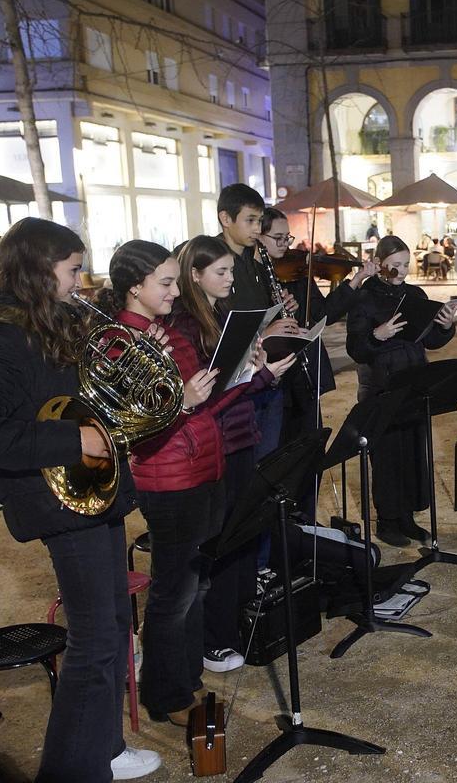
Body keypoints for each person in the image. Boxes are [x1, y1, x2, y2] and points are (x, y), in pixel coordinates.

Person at [0, 219, 162, 782]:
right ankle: (70, 769)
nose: (79, 279)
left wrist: (133, 367)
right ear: (40, 272)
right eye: (71, 269)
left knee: (113, 628)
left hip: (93, 489)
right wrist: (74, 439)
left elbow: (74, 391)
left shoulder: (53, 320)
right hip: (60, 498)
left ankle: (104, 748)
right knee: (93, 643)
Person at [99, 240, 259, 727]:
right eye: (166, 283)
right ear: (135, 288)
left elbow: (200, 405)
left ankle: (187, 677)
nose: (176, 290)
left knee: (197, 583)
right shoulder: (118, 342)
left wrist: (242, 375)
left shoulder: (168, 333)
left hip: (204, 466)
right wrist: (184, 402)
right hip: (169, 479)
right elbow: (129, 430)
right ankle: (166, 694)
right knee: (174, 592)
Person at [171, 235, 295, 674]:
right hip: (217, 442)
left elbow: (233, 378)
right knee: (222, 543)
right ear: (195, 275)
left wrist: (258, 364)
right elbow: (207, 397)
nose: (229, 278)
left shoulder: (220, 313)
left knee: (243, 533)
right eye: (220, 272)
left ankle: (240, 624)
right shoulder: (186, 324)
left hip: (242, 433)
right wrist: (256, 377)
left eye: (229, 270)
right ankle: (215, 638)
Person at [345, 236, 457, 545]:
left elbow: (430, 340)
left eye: (406, 264)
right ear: (380, 263)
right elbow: (355, 348)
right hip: (380, 385)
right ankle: (387, 520)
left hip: (414, 380)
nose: (402, 271)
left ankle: (407, 517)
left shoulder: (414, 293)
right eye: (395, 265)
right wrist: (377, 336)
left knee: (412, 453)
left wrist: (445, 327)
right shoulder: (364, 297)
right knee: (386, 457)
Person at [257, 207, 378, 460]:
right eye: (277, 238)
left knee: (309, 451)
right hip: (273, 378)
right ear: (258, 236)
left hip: (304, 374)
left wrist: (355, 281)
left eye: (287, 237)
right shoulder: (253, 278)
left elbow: (324, 313)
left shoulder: (298, 273)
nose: (284, 244)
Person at [215, 184, 300, 462]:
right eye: (250, 221)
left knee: (267, 463)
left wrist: (283, 311)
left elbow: (261, 312)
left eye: (258, 221)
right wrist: (266, 330)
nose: (256, 229)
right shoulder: (213, 261)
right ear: (226, 219)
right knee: (244, 472)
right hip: (236, 387)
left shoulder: (256, 262)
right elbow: (218, 328)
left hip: (266, 377)